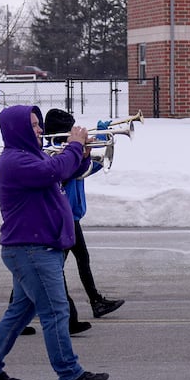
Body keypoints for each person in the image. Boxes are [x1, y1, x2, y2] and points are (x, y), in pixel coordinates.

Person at [0, 105, 107, 380]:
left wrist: (80, 156)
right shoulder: (14, 161)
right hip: (32, 250)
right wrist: (74, 145)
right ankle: (69, 373)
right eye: (33, 125)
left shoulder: (32, 156)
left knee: (19, 312)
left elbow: (62, 173)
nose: (39, 129)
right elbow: (52, 171)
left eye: (38, 124)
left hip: (37, 248)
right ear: (18, 129)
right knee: (56, 312)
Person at [44, 108, 121, 328]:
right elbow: (68, 174)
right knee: (54, 268)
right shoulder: (56, 154)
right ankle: (72, 314)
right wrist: (80, 152)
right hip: (61, 218)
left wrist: (102, 146)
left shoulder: (70, 153)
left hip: (71, 216)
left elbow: (87, 171)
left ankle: (93, 302)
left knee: (74, 261)